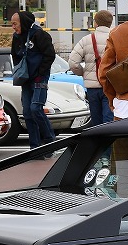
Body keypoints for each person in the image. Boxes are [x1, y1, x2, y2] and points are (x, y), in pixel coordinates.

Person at [10, 10, 56, 147]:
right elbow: (15, 55)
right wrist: (20, 71)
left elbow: (50, 55)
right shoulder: (17, 37)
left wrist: (40, 73)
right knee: (27, 113)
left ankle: (50, 140)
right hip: (25, 79)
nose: (13, 27)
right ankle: (34, 147)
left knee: (36, 108)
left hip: (39, 78)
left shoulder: (39, 34)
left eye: (15, 24)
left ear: (23, 22)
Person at [67, 10, 114, 126]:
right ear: (110, 23)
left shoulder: (86, 40)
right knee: (109, 120)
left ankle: (98, 143)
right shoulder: (115, 38)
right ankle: (108, 143)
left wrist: (83, 73)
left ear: (95, 23)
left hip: (92, 88)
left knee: (96, 122)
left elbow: (73, 63)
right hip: (110, 85)